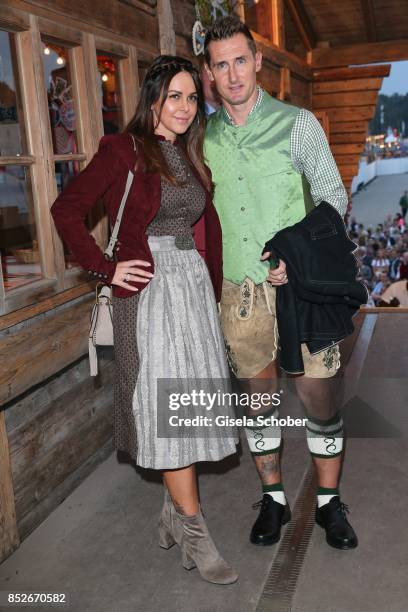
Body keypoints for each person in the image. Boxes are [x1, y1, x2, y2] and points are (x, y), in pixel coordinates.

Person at [51, 55, 238, 585]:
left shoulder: (187, 153)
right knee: (172, 411)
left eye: (190, 98)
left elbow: (201, 228)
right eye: (173, 96)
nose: (183, 107)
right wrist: (107, 268)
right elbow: (66, 211)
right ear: (152, 99)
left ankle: (173, 515)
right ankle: (196, 531)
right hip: (151, 295)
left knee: (189, 408)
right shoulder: (123, 150)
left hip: (192, 290)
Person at [203, 16, 358, 550]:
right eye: (220, 64)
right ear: (210, 73)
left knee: (317, 395)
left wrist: (297, 251)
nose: (232, 73)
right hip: (238, 293)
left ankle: (328, 504)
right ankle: (271, 499)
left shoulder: (298, 124)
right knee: (259, 400)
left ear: (257, 61)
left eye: (240, 60)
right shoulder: (202, 138)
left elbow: (335, 197)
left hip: (302, 289)